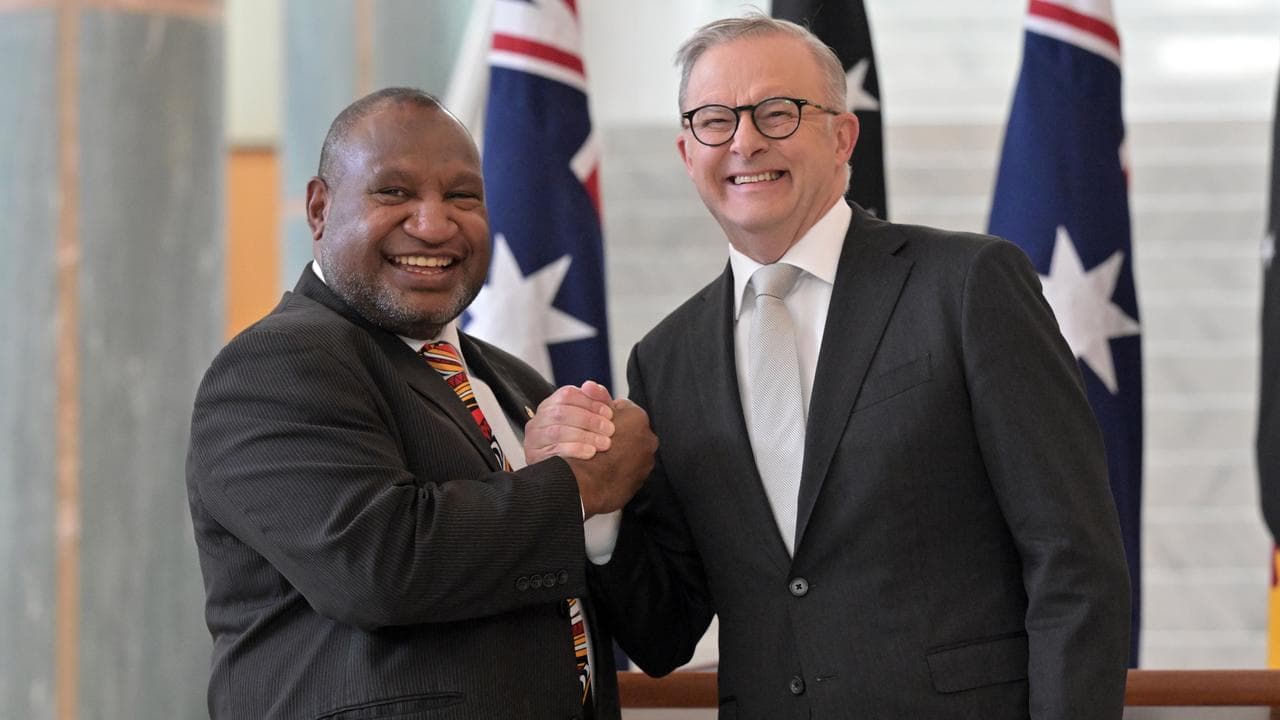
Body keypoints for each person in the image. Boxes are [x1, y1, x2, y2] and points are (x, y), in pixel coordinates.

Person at [544, 14, 1131, 719]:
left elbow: (1073, 560)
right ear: (685, 150)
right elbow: (665, 633)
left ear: (842, 136)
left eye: (778, 112)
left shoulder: (967, 285)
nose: (745, 140)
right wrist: (598, 511)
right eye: (713, 120)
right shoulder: (667, 358)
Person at [185, 87, 655, 720]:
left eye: (463, 196)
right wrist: (580, 487)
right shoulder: (274, 366)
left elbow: (654, 631)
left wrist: (604, 518)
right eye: (394, 193)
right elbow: (378, 565)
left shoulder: (516, 382)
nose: (434, 225)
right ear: (320, 209)